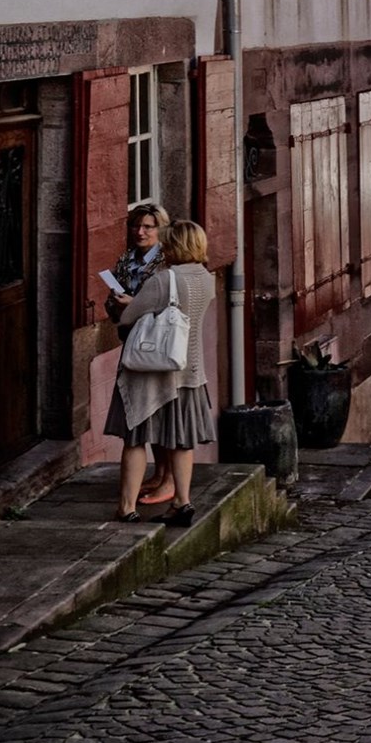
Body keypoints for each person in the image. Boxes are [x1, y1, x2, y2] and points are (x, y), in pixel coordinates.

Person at [104, 219, 217, 526]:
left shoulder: (164, 279)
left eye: (166, 242)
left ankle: (126, 507)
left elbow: (128, 317)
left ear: (175, 246)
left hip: (152, 372)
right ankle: (182, 502)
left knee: (136, 438)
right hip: (189, 370)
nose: (162, 247)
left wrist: (127, 302)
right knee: (181, 441)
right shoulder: (207, 279)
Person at [105, 203, 174, 504]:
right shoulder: (126, 260)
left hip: (155, 343)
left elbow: (166, 305)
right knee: (142, 409)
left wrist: (131, 303)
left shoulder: (165, 262)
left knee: (160, 408)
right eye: (136, 226)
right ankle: (158, 473)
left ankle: (169, 478)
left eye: (148, 226)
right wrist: (116, 305)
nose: (140, 232)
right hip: (131, 338)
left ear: (160, 230)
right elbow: (113, 302)